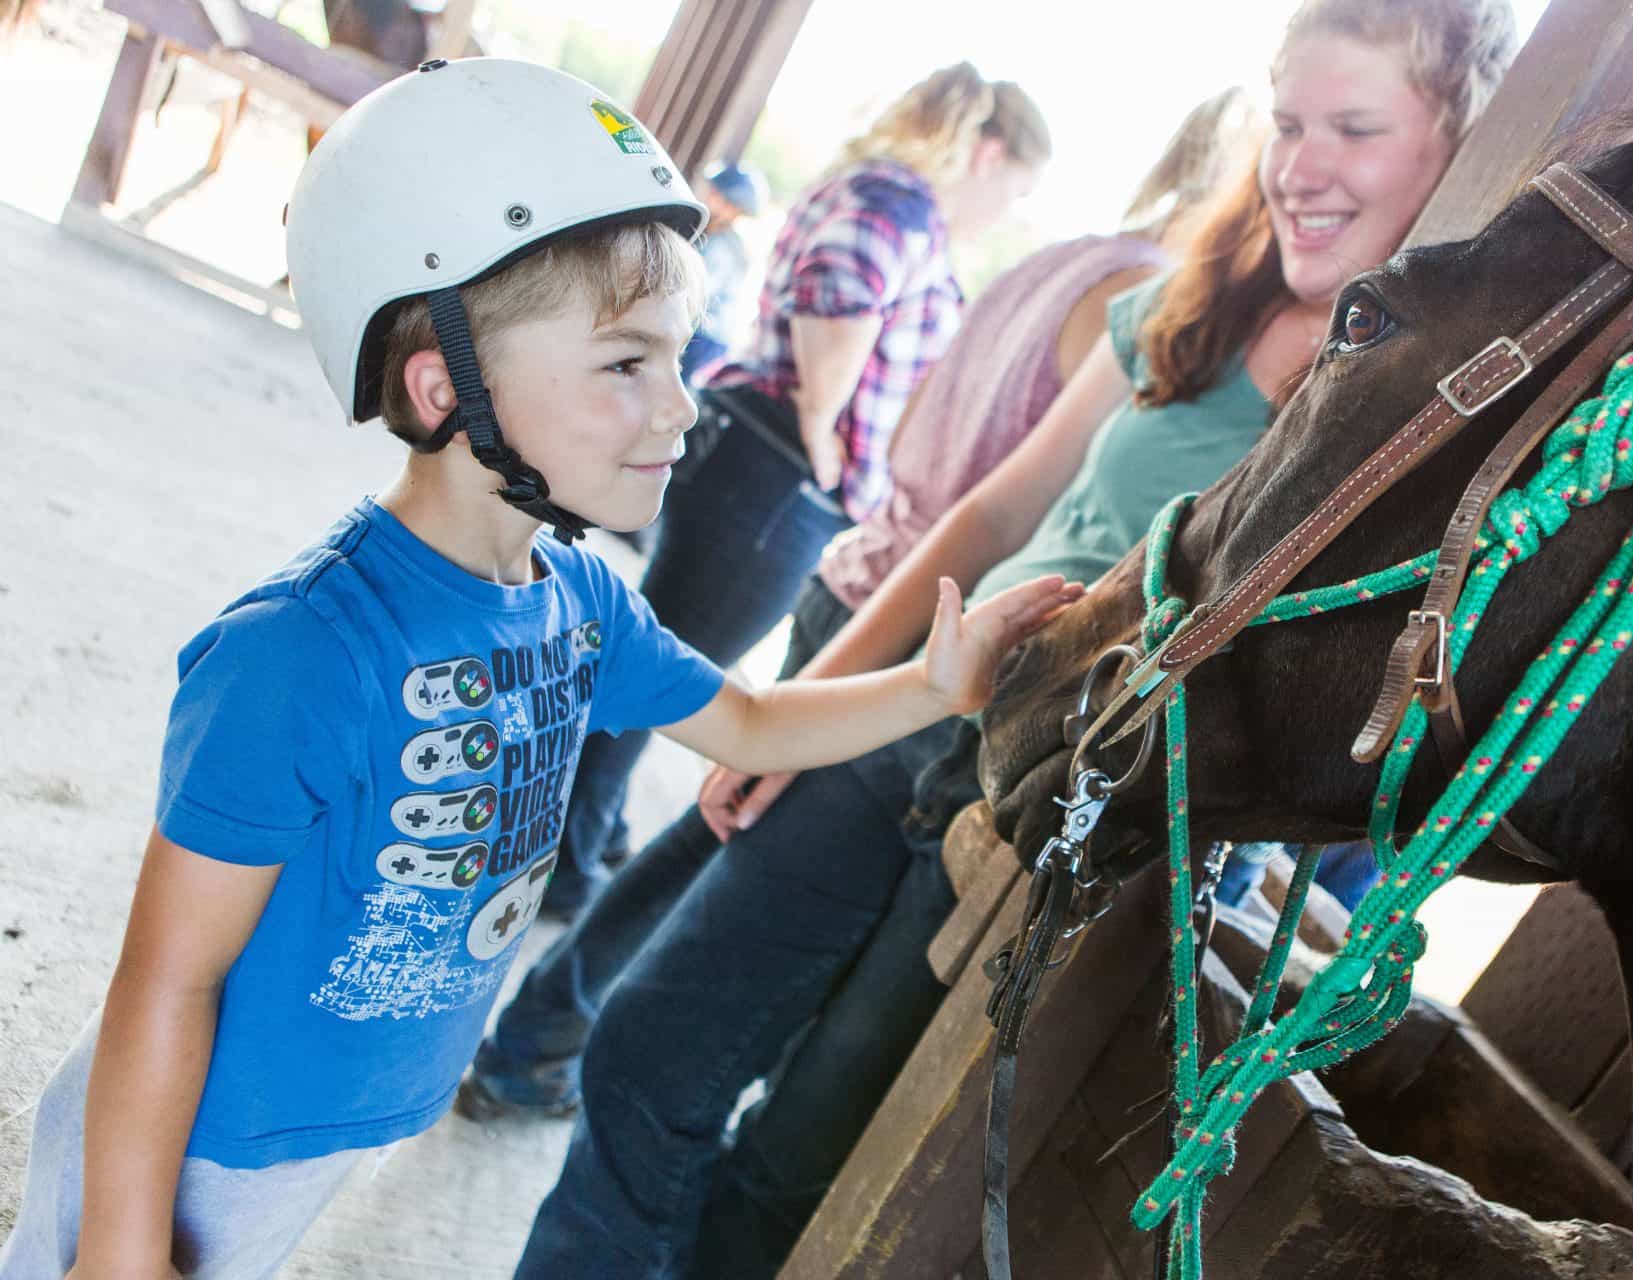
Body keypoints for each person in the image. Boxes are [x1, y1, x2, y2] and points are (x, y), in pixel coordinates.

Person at [0, 59, 1078, 1280]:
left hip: (317, 1126)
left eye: (678, 357)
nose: (681, 408)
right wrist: (122, 1243)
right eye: (626, 364)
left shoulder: (579, 601)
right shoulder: (300, 655)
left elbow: (749, 720)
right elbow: (165, 977)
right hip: (189, 1141)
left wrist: (935, 684)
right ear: (444, 388)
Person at [505, 4, 1519, 1276]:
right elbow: (995, 513)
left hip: (1065, 826)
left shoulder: (1442, 418)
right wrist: (808, 706)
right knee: (648, 1046)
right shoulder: (1189, 305)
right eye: (1286, 123)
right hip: (919, 714)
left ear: (1461, 142)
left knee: (799, 1160)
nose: (1300, 168)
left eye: (1354, 129)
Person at [460, 79, 1262, 1121]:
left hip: (873, 572)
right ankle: (543, 1044)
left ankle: (537, 1036)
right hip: (922, 615)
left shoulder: (1060, 262)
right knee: (736, 863)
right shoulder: (1153, 310)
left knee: (720, 832)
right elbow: (1020, 502)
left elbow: (928, 408)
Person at [544, 62, 1052, 917]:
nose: (1004, 210)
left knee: (666, 652)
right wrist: (823, 438)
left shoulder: (884, 193)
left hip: (760, 462)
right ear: (989, 154)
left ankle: (582, 830)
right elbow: (840, 294)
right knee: (673, 674)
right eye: (1016, 189)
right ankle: (564, 854)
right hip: (780, 469)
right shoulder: (898, 204)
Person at [680, 161, 765, 382]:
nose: (708, 195)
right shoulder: (708, 233)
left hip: (705, 337)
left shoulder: (724, 247)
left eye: (715, 193)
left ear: (731, 206)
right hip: (697, 331)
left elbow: (696, 291)